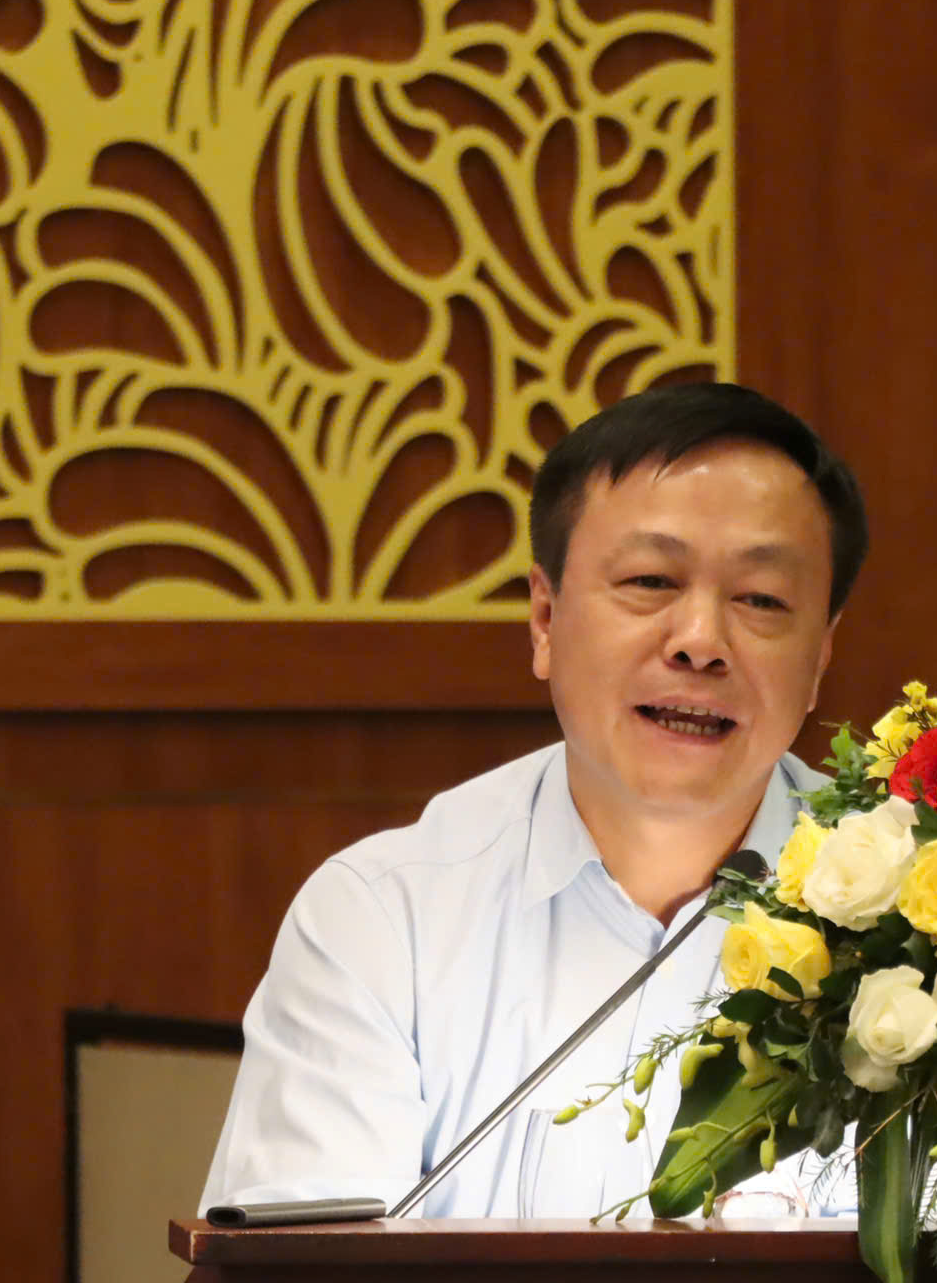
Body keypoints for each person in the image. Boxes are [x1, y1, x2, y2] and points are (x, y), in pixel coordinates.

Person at [198, 382, 869, 1217]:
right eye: (651, 580)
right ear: (545, 620)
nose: (701, 642)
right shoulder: (383, 923)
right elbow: (306, 1281)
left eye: (761, 599)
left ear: (821, 656)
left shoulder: (934, 932)